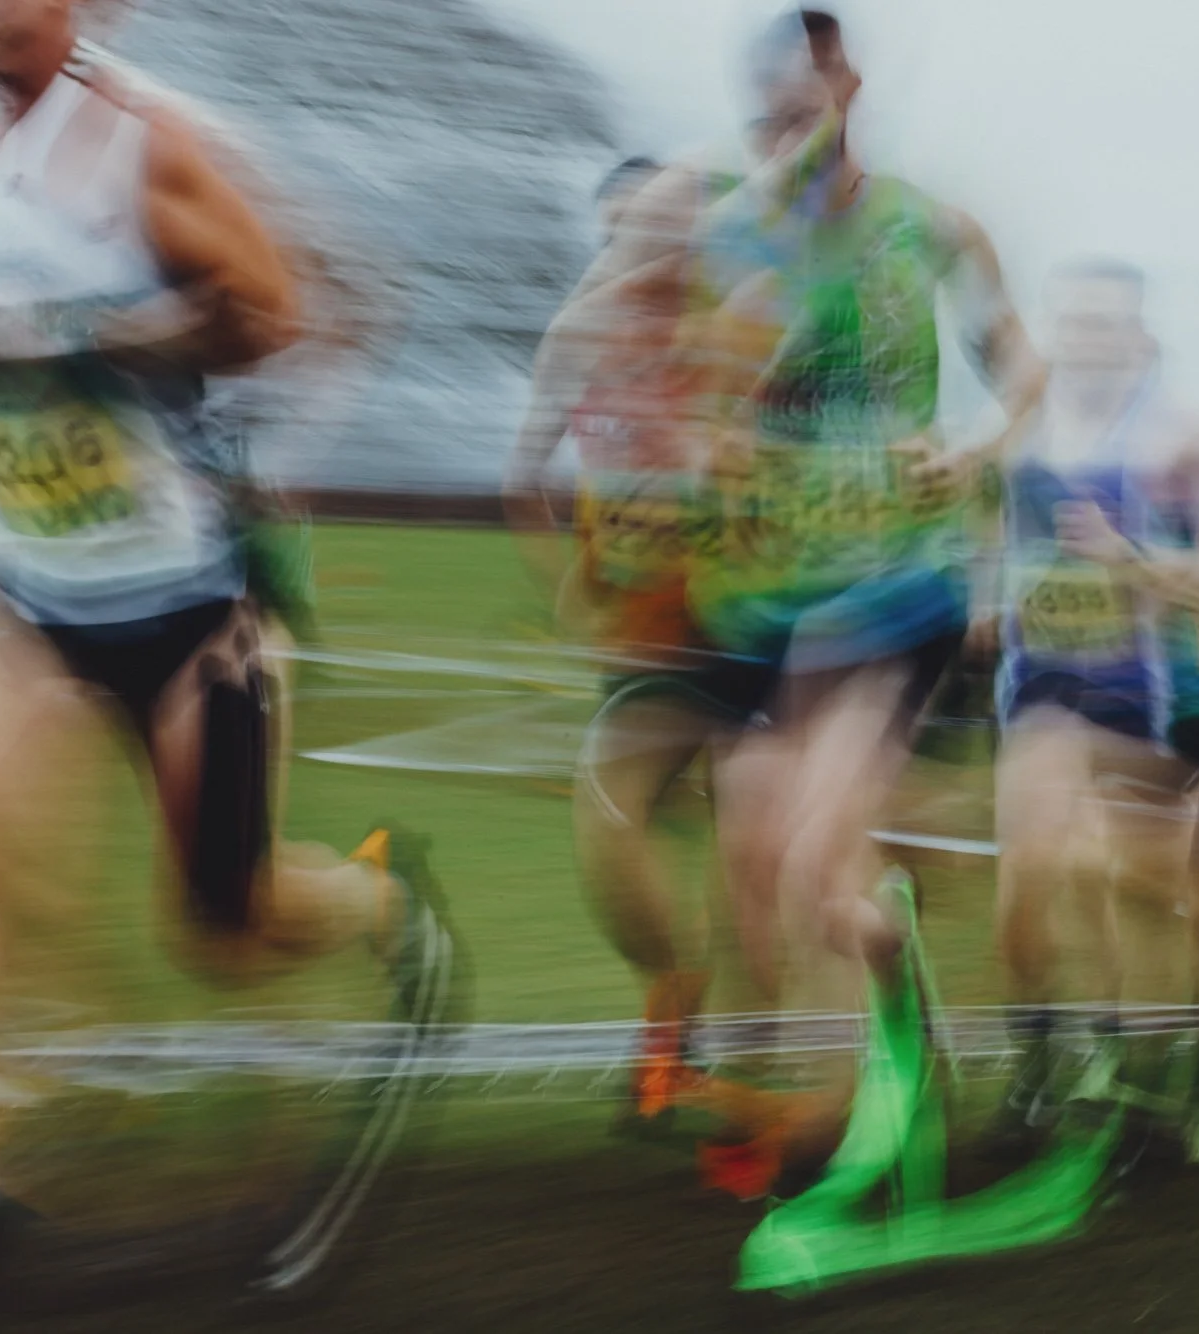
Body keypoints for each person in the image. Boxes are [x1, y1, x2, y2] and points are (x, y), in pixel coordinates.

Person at [0, 0, 456, 1287]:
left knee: (228, 925)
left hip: (183, 601)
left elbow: (269, 314)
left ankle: (386, 903)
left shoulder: (143, 145)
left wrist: (80, 333)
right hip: (13, 582)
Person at [661, 7, 1043, 1186]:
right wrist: (713, 443)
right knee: (760, 865)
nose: (787, 133)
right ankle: (897, 1031)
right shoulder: (729, 237)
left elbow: (1019, 366)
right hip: (774, 603)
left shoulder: (929, 229)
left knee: (814, 867)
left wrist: (975, 449)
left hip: (899, 589)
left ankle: (890, 1099)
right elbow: (699, 401)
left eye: (805, 106)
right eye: (766, 117)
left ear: (849, 93)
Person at [983, 257, 1199, 1160]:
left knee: (1179, 904)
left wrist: (1137, 564)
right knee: (1032, 872)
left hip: (1168, 702)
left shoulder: (1179, 440)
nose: (1086, 340)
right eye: (1071, 322)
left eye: (1106, 324)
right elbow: (991, 546)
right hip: (1043, 691)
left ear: (1138, 338)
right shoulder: (1016, 433)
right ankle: (1046, 1060)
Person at [503, 154, 776, 1130]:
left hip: (758, 639)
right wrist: (572, 593)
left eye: (654, 227)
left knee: (755, 866)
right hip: (647, 649)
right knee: (616, 835)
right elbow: (522, 477)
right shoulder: (586, 339)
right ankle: (673, 1044)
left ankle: (738, 1068)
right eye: (617, 231)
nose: (638, 247)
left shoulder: (747, 331)